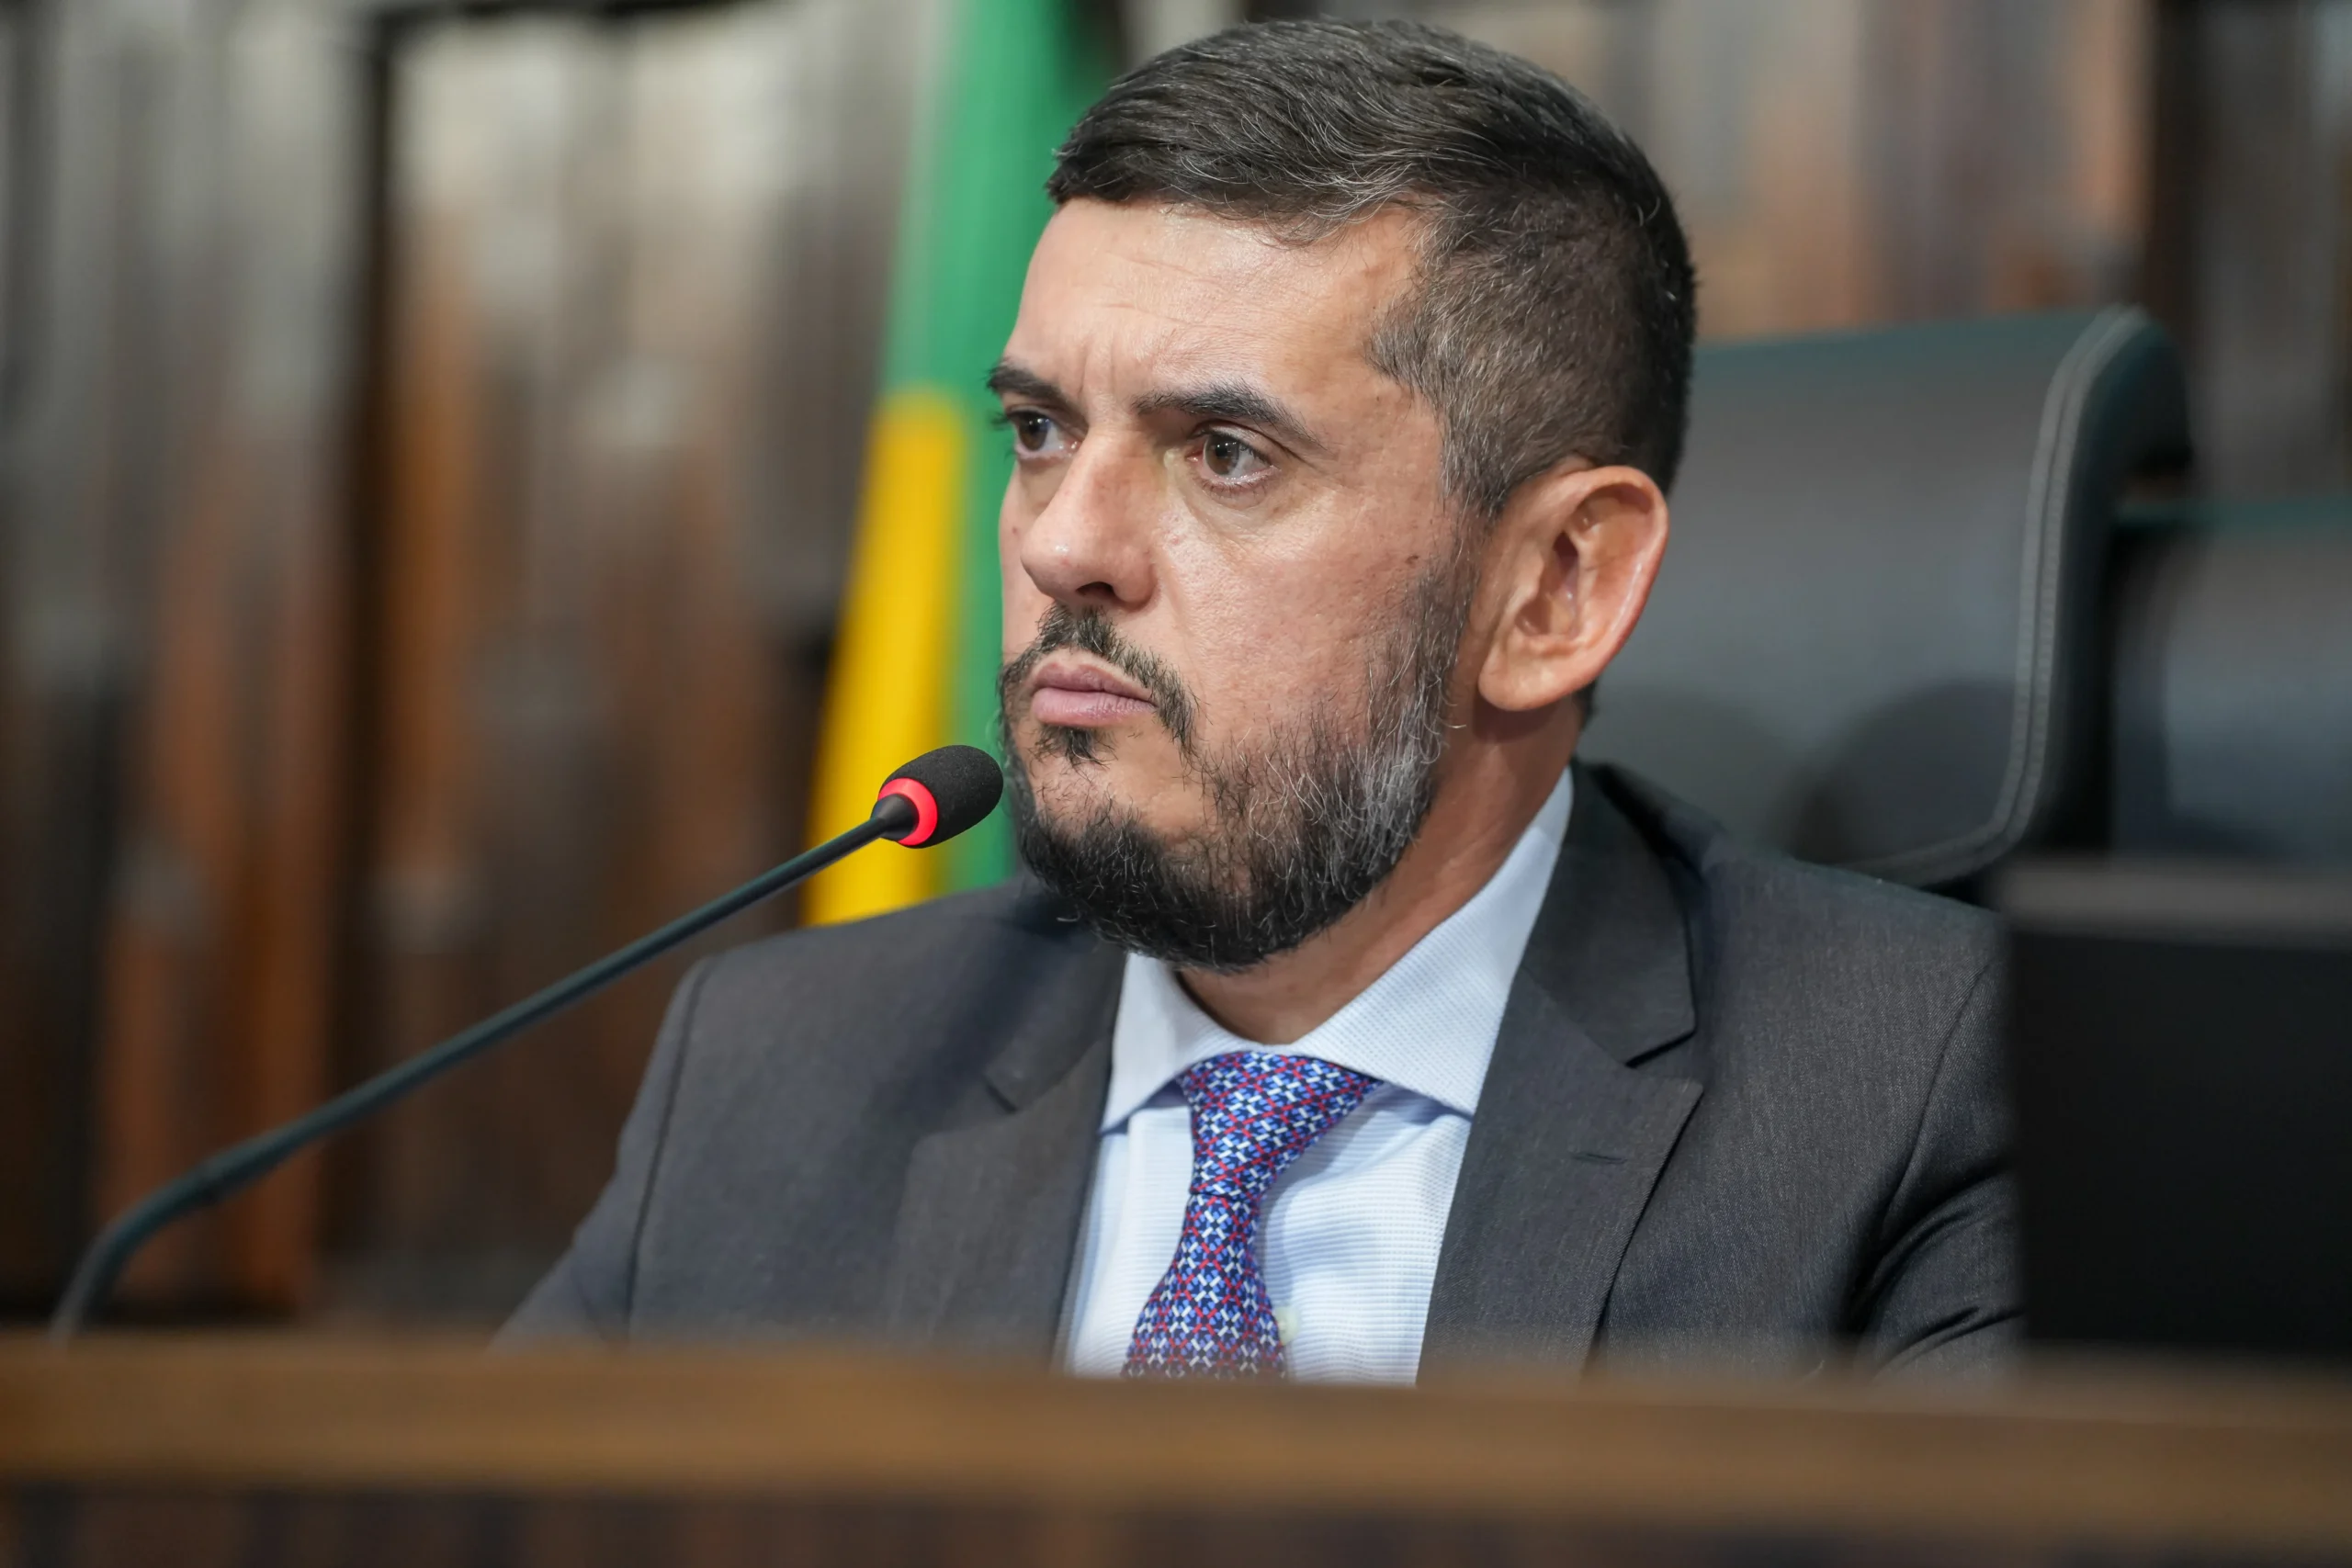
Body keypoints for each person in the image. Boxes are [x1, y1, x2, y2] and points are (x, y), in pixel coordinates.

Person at [508, 20, 2014, 1381]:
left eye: (1226, 451)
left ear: (1554, 586)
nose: (1059, 543)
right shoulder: (787, 1071)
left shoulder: (1913, 1093)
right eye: (1038, 429)